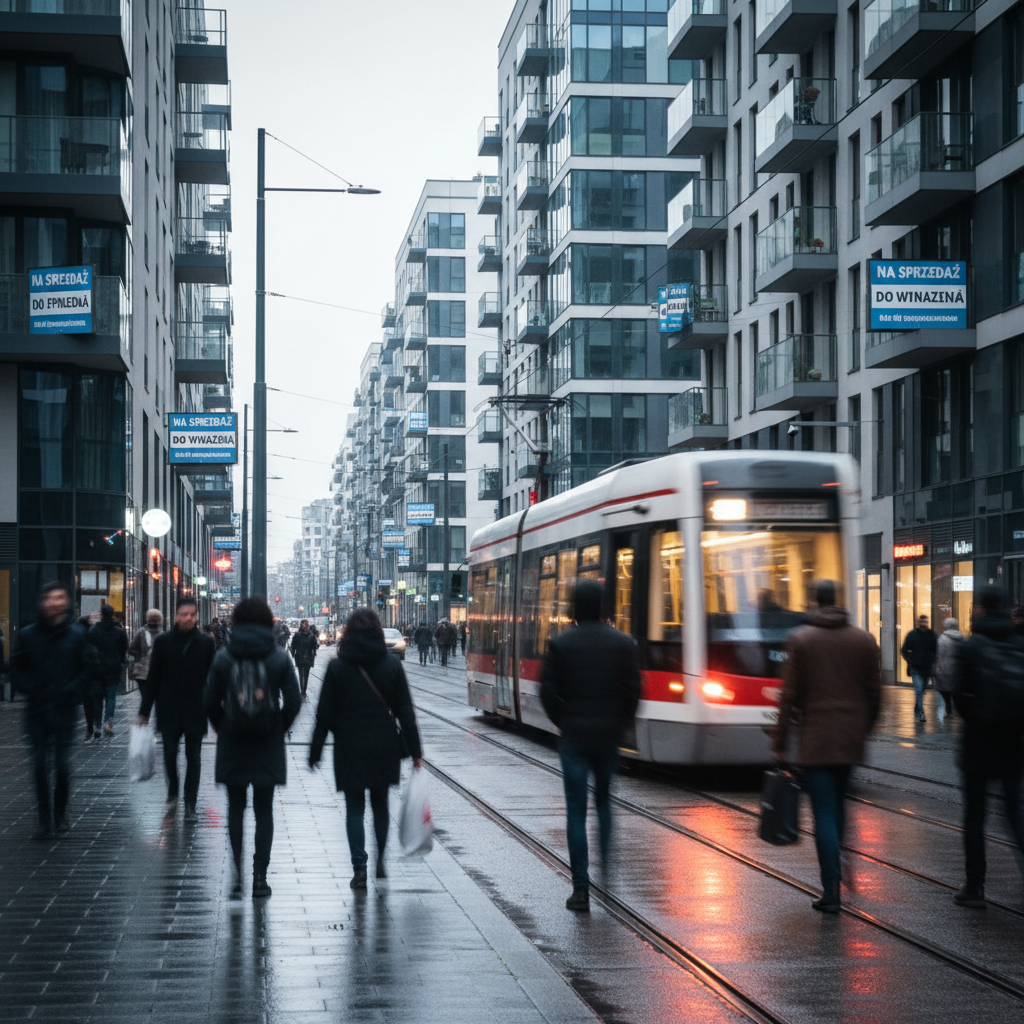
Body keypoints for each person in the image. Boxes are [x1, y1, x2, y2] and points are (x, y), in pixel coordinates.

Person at [773, 579, 881, 913]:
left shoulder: (801, 639)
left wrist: (780, 742)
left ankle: (831, 888)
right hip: (850, 739)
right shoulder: (863, 640)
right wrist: (864, 729)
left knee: (824, 813)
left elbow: (789, 696)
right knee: (840, 804)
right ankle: (843, 861)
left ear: (813, 601)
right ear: (838, 600)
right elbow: (875, 695)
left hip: (817, 740)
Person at [540, 580, 642, 912]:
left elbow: (547, 691)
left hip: (574, 738)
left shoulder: (561, 644)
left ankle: (580, 889)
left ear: (573, 608)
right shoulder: (623, 643)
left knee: (575, 812)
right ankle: (607, 874)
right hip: (608, 736)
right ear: (601, 607)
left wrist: (563, 719)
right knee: (604, 804)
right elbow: (632, 691)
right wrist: (622, 723)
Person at [309, 608, 423, 889]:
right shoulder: (392, 666)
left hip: (349, 746)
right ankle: (381, 859)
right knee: (381, 805)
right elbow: (406, 712)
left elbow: (324, 714)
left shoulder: (337, 667)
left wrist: (315, 750)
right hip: (384, 746)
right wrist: (417, 753)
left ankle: (359, 867)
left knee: (354, 808)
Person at [205, 597, 301, 899]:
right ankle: (260, 877)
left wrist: (224, 727)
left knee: (236, 808)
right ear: (267, 622)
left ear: (235, 621)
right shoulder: (279, 657)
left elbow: (209, 701)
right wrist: (277, 728)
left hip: (233, 741)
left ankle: (237, 872)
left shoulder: (223, 656)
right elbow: (294, 702)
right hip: (266, 742)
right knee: (264, 810)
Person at [951, 585, 1024, 909]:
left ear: (980, 609)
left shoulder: (971, 647)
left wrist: (978, 716)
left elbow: (958, 697)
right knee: (1014, 814)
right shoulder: (1019, 643)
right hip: (1013, 744)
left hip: (978, 744)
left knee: (975, 817)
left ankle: (974, 886)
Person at [10, 583, 93, 839]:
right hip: (37, 711)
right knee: (38, 766)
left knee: (61, 765)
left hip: (65, 710)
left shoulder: (77, 635)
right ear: (42, 602)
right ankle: (44, 818)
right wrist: (30, 688)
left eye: (60, 597)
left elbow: (87, 669)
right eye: (50, 598)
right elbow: (16, 669)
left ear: (66, 602)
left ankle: (60, 815)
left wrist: (72, 691)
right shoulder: (28, 634)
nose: (55, 602)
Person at [137, 597, 216, 822]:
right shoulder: (163, 642)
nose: (188, 618)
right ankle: (173, 791)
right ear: (176, 616)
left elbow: (213, 677)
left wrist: (216, 709)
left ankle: (190, 803)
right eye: (184, 614)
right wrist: (144, 711)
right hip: (169, 707)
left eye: (192, 614)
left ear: (197, 616)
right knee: (170, 754)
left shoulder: (205, 642)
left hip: (195, 708)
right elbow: (153, 678)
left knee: (194, 758)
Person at [86, 603, 128, 739]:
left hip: (97, 669)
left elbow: (89, 648)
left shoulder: (93, 630)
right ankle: (108, 721)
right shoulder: (119, 631)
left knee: (97, 698)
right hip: (113, 667)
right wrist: (120, 660)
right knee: (111, 696)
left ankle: (97, 724)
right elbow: (123, 649)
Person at [901, 614, 937, 723]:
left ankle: (917, 708)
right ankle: (921, 712)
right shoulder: (912, 635)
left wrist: (932, 659)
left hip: (927, 668)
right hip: (916, 667)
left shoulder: (931, 635)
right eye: (922, 621)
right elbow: (904, 649)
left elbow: (935, 650)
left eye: (925, 621)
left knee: (922, 690)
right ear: (919, 622)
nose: (924, 623)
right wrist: (910, 660)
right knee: (919, 689)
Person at [933, 617, 965, 725]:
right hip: (958, 669)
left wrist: (937, 668)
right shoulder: (962, 637)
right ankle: (957, 708)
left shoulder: (942, 639)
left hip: (945, 669)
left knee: (945, 692)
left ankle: (949, 710)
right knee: (955, 690)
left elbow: (939, 655)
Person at [128, 609, 163, 693]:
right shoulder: (162, 634)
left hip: (148, 670)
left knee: (148, 697)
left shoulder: (142, 632)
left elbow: (131, 649)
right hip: (151, 671)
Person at [290, 619, 319, 699]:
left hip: (299, 657)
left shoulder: (297, 635)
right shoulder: (311, 636)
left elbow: (293, 646)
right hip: (308, 658)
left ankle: (302, 690)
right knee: (306, 675)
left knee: (301, 675)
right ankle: (304, 691)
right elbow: (315, 646)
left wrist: (293, 653)